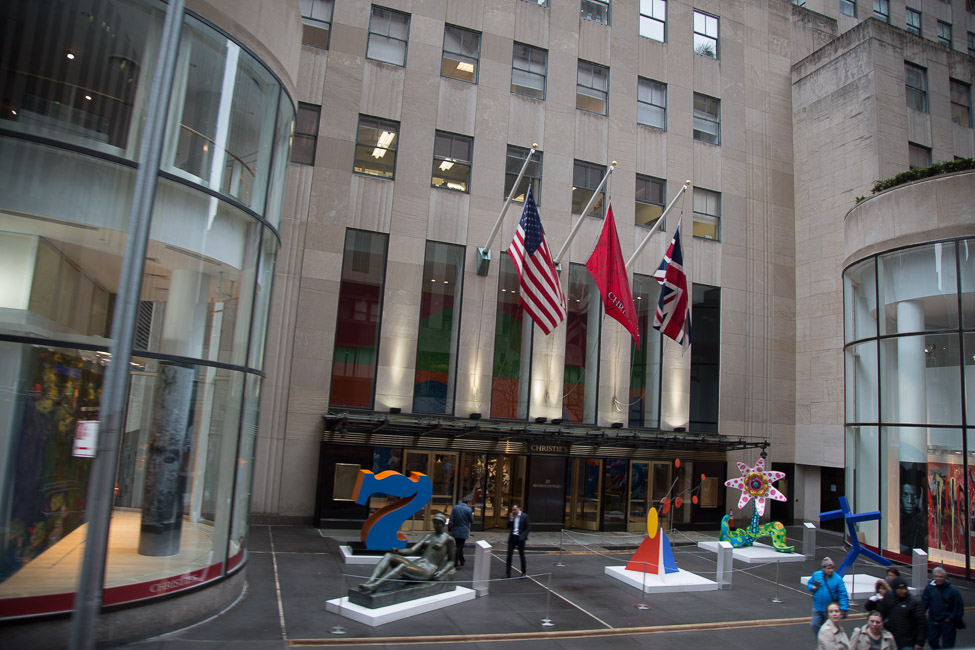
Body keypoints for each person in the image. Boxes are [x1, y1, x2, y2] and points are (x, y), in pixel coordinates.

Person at [358, 512, 455, 593]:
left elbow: (451, 561)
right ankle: (371, 580)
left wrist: (441, 572)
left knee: (403, 566)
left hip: (427, 571)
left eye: (439, 524)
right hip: (417, 565)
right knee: (389, 556)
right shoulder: (429, 536)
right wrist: (398, 551)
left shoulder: (448, 539)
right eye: (435, 523)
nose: (436, 526)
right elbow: (412, 550)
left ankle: (374, 586)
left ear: (443, 524)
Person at [865, 576, 926, 650]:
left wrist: (920, 642)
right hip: (890, 639)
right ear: (895, 589)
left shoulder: (914, 603)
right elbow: (880, 612)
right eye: (900, 589)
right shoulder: (888, 597)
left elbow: (922, 623)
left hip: (907, 642)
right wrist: (872, 602)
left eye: (905, 588)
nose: (903, 591)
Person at [922, 566, 965, 649]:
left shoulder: (953, 590)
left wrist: (951, 618)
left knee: (948, 645)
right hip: (933, 621)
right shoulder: (929, 588)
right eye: (936, 576)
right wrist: (921, 615)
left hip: (947, 622)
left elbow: (958, 607)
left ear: (945, 578)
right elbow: (924, 603)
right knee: (932, 640)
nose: (938, 579)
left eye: (940, 577)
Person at [809, 556, 850, 638]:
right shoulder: (816, 575)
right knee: (814, 624)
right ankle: (821, 639)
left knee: (830, 628)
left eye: (832, 568)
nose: (831, 570)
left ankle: (828, 641)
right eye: (829, 568)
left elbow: (843, 594)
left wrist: (844, 608)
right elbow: (810, 583)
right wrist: (811, 587)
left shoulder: (837, 579)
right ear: (823, 568)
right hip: (817, 607)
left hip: (830, 610)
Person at [448, 497, 474, 568]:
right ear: (468, 503)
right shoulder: (468, 510)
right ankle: (455, 563)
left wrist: (449, 529)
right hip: (463, 530)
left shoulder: (455, 508)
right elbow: (471, 521)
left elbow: (451, 519)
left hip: (456, 529)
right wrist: (472, 515)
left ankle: (462, 560)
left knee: (459, 545)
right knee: (459, 547)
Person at [505, 503, 529, 578]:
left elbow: (527, 528)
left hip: (520, 538)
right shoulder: (511, 515)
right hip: (512, 537)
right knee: (509, 555)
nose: (514, 511)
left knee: (521, 555)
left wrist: (523, 536)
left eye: (515, 510)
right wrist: (511, 519)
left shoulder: (524, 516)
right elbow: (507, 526)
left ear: (519, 508)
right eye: (513, 510)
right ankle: (508, 573)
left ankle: (523, 572)